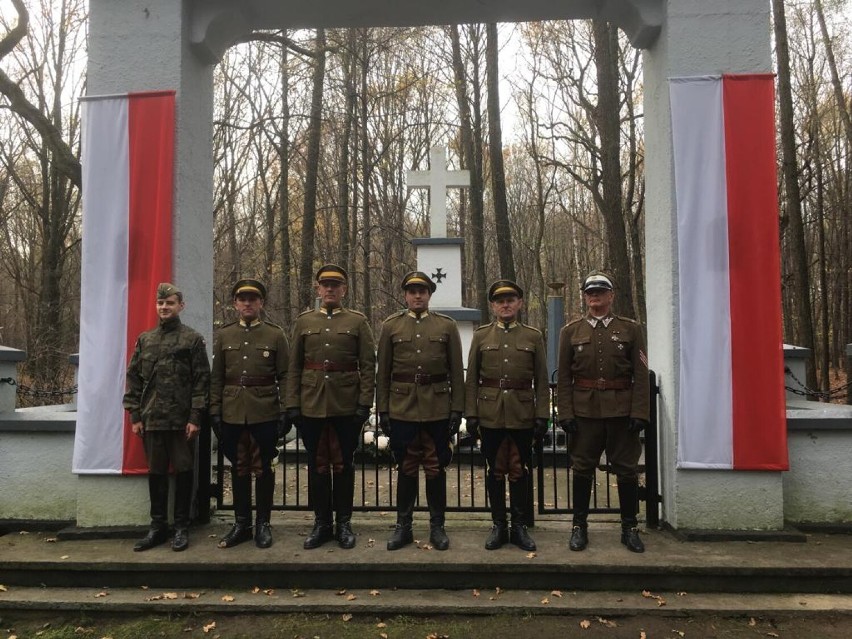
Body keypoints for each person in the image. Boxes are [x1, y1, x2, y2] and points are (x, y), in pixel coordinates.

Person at [556, 271, 650, 553]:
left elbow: (641, 374)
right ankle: (579, 526)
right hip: (584, 412)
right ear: (584, 296)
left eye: (600, 292)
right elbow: (563, 378)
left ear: (611, 296)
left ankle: (629, 526)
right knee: (582, 468)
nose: (595, 296)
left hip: (621, 410)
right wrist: (566, 413)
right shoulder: (570, 331)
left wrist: (640, 412)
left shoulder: (631, 329)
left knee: (627, 470)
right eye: (590, 292)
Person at [285, 264, 376, 550]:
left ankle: (344, 524)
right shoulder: (303, 321)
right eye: (325, 285)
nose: (330, 289)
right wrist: (293, 405)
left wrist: (364, 403)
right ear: (317, 288)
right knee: (317, 466)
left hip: (346, 405)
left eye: (336, 285)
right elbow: (294, 366)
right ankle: (322, 523)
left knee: (344, 466)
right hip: (311, 404)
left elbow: (368, 365)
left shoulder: (358, 322)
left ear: (344, 290)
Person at [376, 271, 464, 551]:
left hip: (437, 407)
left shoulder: (446, 327)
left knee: (435, 467)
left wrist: (456, 409)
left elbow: (455, 371)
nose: (417, 295)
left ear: (429, 294)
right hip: (402, 407)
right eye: (412, 291)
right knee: (406, 467)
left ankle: (437, 527)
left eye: (422, 291)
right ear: (405, 295)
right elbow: (384, 372)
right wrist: (384, 410)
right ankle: (403, 526)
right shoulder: (391, 326)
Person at [123, 283, 211, 552]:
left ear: (180, 306)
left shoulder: (192, 340)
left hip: (181, 420)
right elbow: (134, 378)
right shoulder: (146, 339)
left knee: (184, 473)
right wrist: (135, 415)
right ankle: (158, 527)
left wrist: (195, 417)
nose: (164, 307)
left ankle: (182, 527)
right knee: (157, 474)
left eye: (170, 303)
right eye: (161, 303)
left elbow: (201, 381)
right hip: (152, 420)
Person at [465, 280, 549, 551]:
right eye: (500, 300)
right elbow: (472, 378)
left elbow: (541, 378)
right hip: (490, 413)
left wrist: (542, 415)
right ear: (492, 305)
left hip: (522, 411)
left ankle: (519, 526)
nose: (505, 304)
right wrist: (472, 413)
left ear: (520, 303)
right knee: (495, 471)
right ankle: (499, 525)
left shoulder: (533, 336)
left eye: (511, 299)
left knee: (519, 471)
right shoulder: (481, 335)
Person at [210, 278, 289, 549]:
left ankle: (263, 524)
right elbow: (217, 378)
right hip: (232, 411)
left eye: (252, 299)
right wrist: (215, 412)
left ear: (261, 303)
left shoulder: (275, 334)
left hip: (264, 411)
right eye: (242, 299)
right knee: (239, 468)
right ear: (235, 304)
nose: (247, 303)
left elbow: (285, 376)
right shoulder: (224, 335)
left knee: (264, 468)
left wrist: (284, 411)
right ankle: (241, 523)